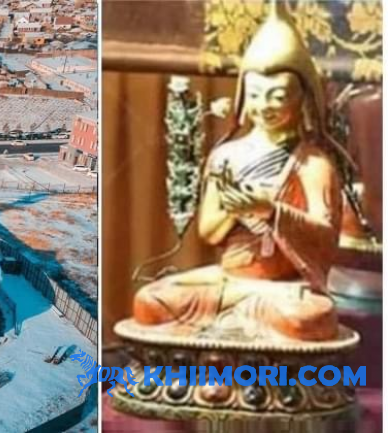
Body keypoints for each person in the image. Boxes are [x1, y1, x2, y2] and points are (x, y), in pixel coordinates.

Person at [132, 4, 349, 342]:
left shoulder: (312, 163)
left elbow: (325, 239)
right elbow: (208, 231)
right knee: (150, 301)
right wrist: (234, 209)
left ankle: (231, 330)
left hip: (282, 291)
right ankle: (230, 327)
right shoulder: (227, 156)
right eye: (256, 95)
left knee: (307, 319)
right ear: (243, 97)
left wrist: (271, 211)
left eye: (278, 96)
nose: (265, 106)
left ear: (303, 100)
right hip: (227, 282)